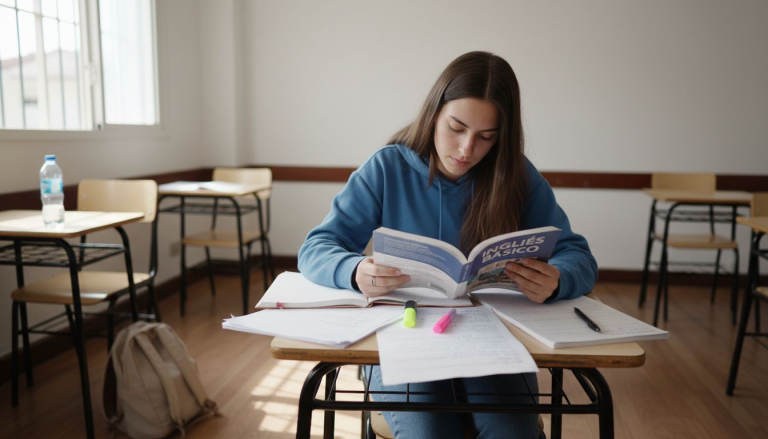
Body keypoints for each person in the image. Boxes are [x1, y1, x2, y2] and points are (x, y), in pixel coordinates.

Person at [298, 51, 597, 439]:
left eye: (486, 137)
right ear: (434, 114)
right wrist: (354, 271)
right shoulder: (387, 168)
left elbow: (579, 257)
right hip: (403, 337)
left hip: (494, 341)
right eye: (456, 127)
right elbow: (317, 246)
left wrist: (558, 279)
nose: (467, 149)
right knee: (430, 433)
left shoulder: (516, 175)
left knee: (512, 433)